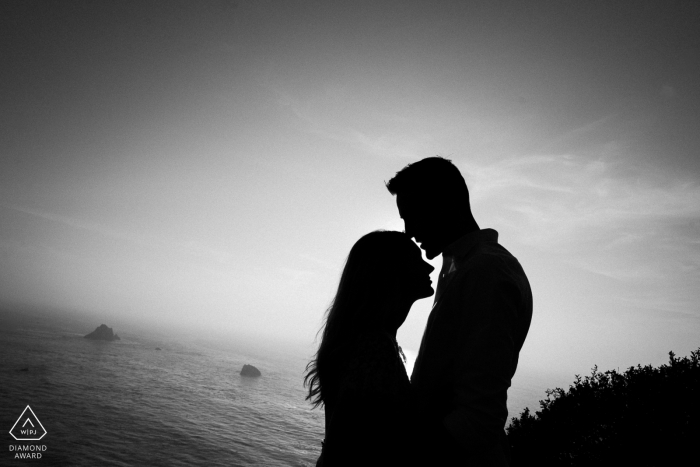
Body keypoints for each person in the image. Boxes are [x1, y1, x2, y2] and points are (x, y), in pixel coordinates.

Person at [386, 157, 533, 466]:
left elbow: (477, 420)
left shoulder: (486, 272)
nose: (408, 231)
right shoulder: (462, 267)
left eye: (412, 215)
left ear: (445, 203)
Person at [304, 230, 434, 466]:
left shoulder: (369, 340)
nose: (430, 268)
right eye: (417, 261)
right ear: (391, 272)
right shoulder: (373, 347)